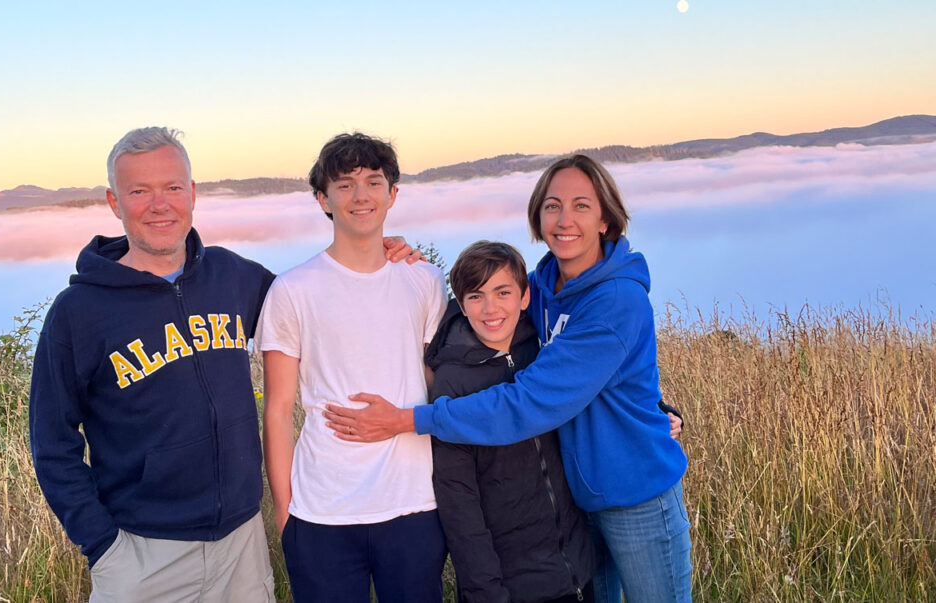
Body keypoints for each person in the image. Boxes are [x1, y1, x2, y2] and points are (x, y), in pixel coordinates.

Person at [29, 127, 418, 602]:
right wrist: (104, 545)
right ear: (114, 201)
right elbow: (51, 442)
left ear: (192, 194)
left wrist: (379, 249)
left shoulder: (233, 276)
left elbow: (320, 306)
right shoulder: (79, 312)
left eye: (173, 188)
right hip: (142, 556)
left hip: (242, 546)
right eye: (139, 191)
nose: (160, 204)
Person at [325, 154, 693, 602]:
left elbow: (528, 403)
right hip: (582, 505)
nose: (564, 220)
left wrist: (410, 420)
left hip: (635, 497)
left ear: (605, 220)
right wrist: (398, 257)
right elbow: (485, 300)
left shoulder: (616, 301)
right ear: (538, 214)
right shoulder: (545, 285)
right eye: (552, 205)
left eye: (581, 205)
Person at [256, 132, 448, 602]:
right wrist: (286, 514)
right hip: (322, 510)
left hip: (414, 504)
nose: (360, 196)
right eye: (344, 185)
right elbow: (278, 409)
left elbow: (438, 382)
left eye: (373, 182)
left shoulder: (423, 279)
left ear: (392, 194)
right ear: (323, 198)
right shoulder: (292, 289)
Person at [429, 241, 594, 602]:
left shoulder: (543, 350)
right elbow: (460, 504)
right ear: (461, 302)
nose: (490, 308)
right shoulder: (451, 383)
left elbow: (595, 391)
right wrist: (487, 593)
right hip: (514, 586)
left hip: (580, 570)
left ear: (524, 296)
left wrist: (660, 410)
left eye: (503, 292)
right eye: (476, 296)